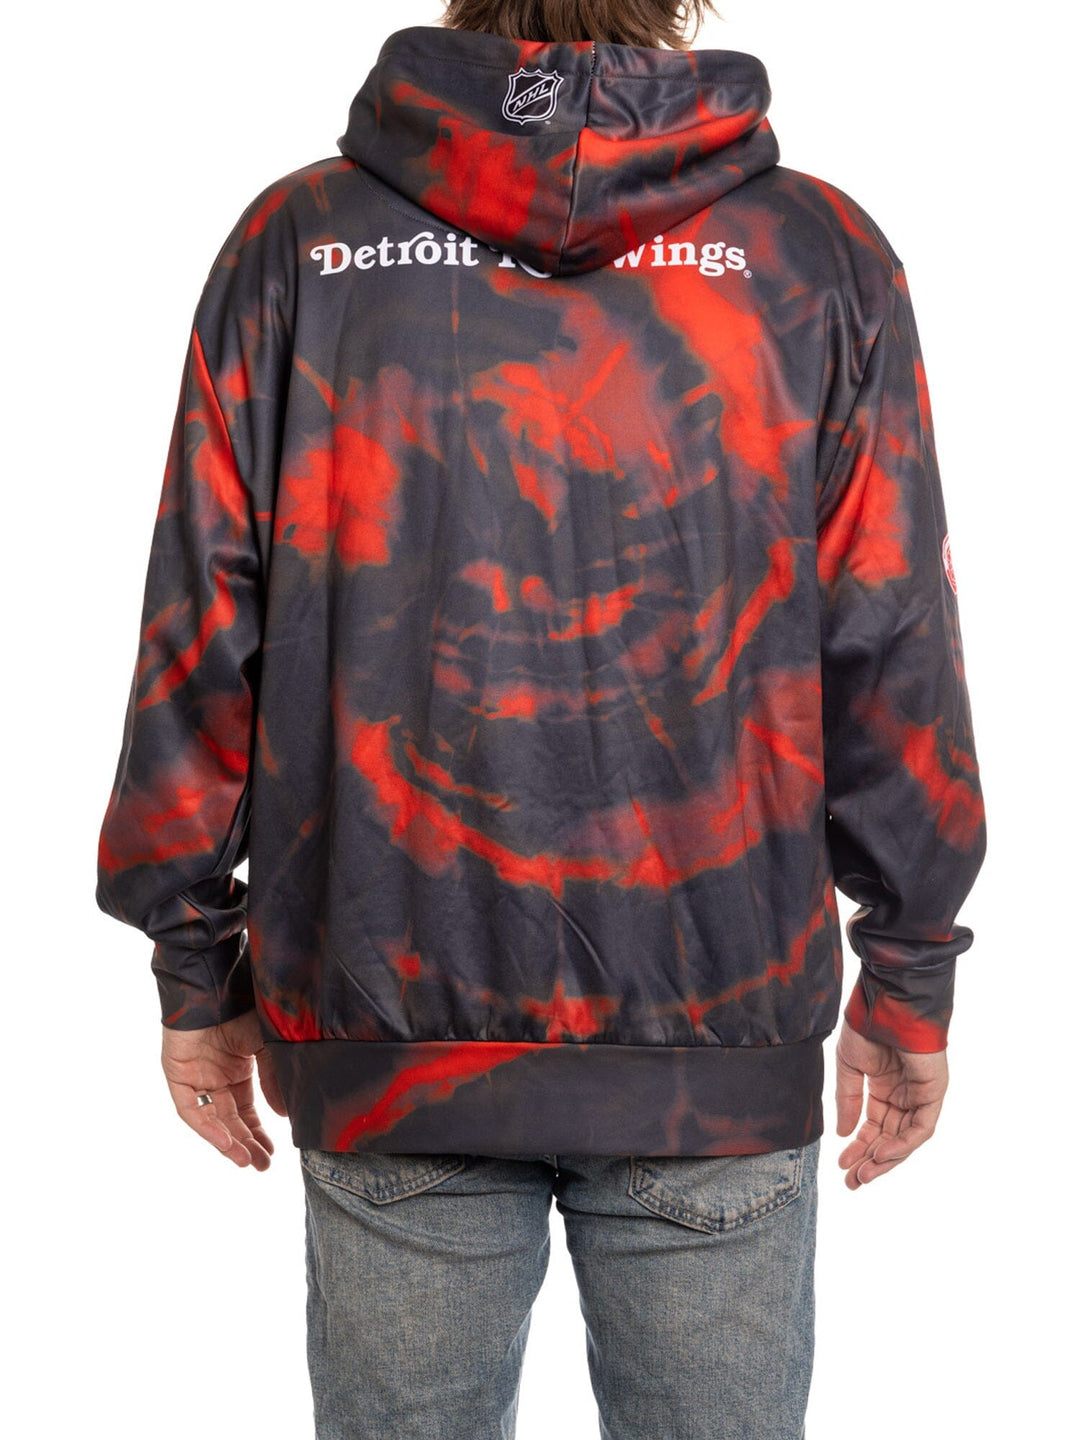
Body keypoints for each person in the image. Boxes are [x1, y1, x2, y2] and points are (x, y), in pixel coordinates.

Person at [95, 1, 987, 1435]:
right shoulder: (816, 255)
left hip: (394, 1023)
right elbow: (892, 641)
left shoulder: (304, 242)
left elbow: (199, 631)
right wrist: (911, 965)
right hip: (717, 1022)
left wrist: (194, 964)